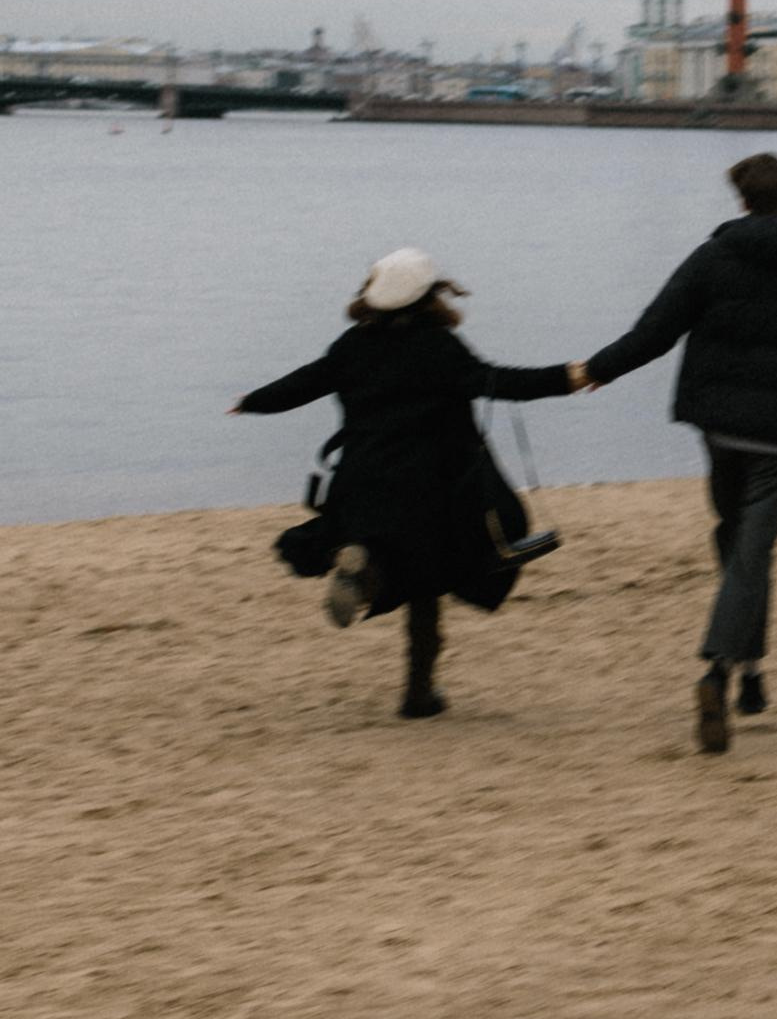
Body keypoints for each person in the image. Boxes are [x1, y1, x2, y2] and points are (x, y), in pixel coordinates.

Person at [582, 152, 777, 754]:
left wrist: (600, 368)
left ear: (743, 201)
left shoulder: (715, 256)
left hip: (721, 427)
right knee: (751, 551)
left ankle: (750, 674)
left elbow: (657, 328)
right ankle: (719, 672)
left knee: (737, 543)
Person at [232, 249, 586, 718]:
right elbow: (498, 381)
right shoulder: (439, 347)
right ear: (431, 296)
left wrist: (252, 401)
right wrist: (570, 377)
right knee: (428, 585)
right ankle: (417, 692)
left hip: (361, 485)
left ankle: (365, 572)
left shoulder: (352, 345)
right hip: (430, 492)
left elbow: (304, 383)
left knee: (396, 566)